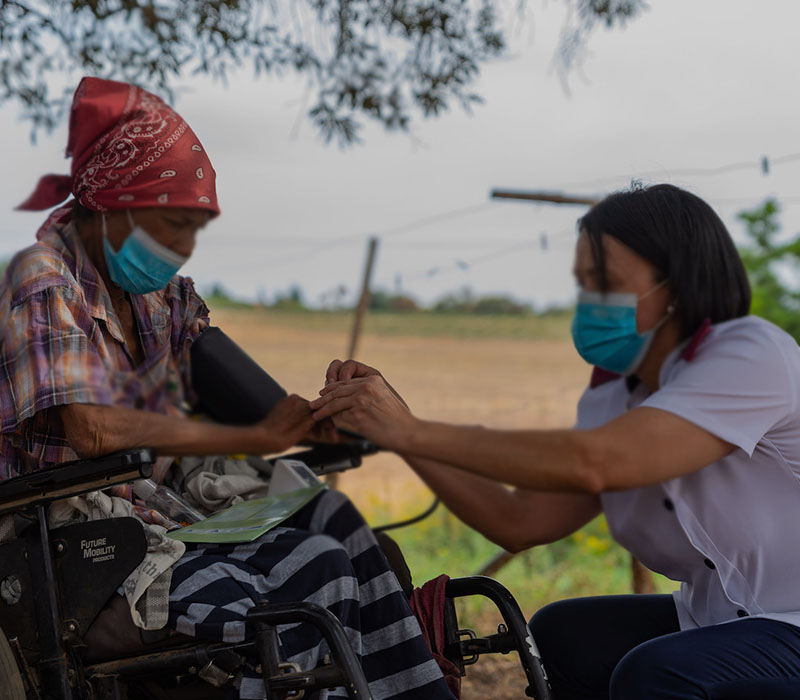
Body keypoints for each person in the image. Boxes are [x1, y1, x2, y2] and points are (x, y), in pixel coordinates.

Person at [0, 76, 456, 700]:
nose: (182, 247)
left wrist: (341, 411)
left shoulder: (163, 299)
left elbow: (259, 407)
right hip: (65, 538)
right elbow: (92, 431)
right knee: (313, 576)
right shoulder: (44, 284)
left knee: (342, 529)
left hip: (153, 511)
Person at [311, 183, 800, 699]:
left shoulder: (750, 355)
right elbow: (519, 522)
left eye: (607, 281)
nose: (591, 301)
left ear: (676, 284)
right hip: (719, 620)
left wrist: (406, 429)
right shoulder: (616, 393)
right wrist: (403, 432)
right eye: (585, 284)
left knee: (660, 674)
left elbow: (599, 462)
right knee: (563, 635)